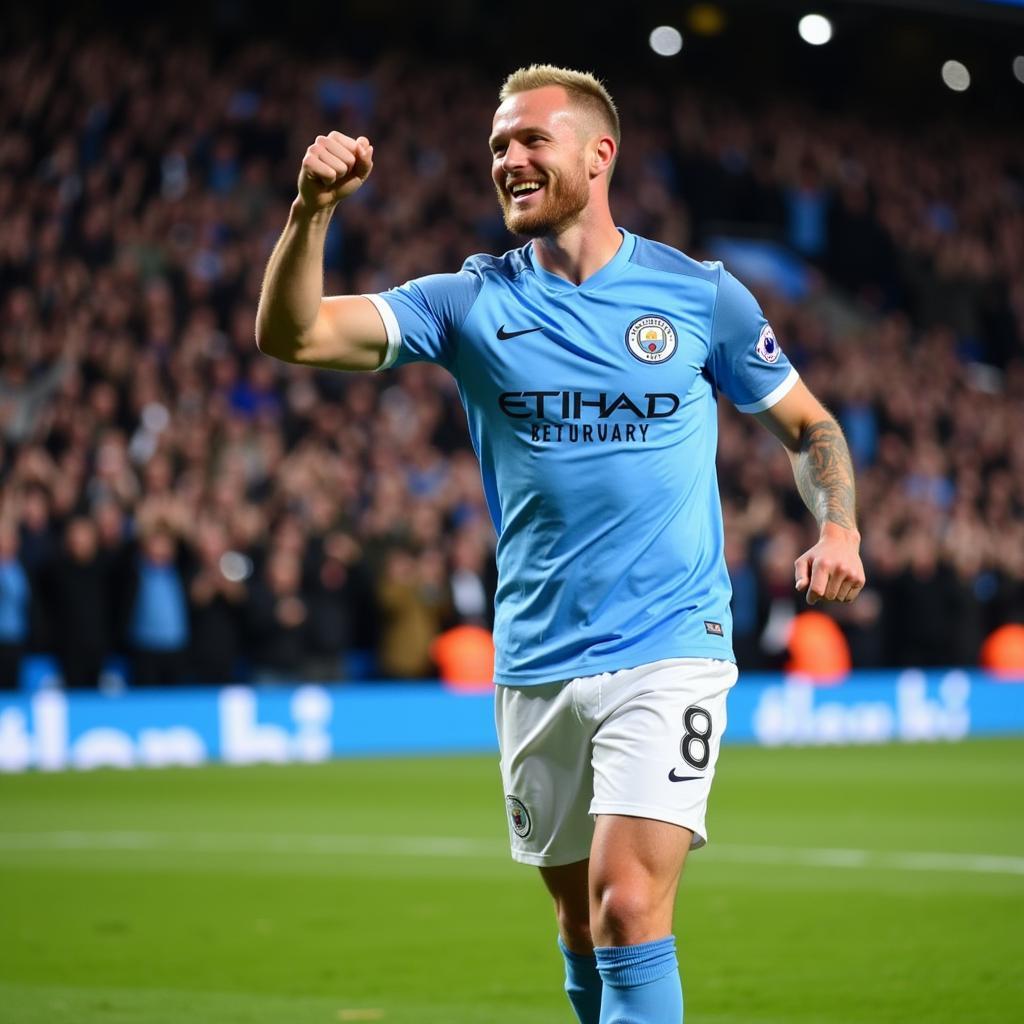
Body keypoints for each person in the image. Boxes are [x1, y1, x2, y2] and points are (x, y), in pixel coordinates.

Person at [256, 64, 865, 1024]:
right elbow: (292, 336)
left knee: (628, 907)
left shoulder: (701, 295)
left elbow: (809, 427)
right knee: (581, 924)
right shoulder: (466, 301)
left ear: (598, 152)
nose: (509, 159)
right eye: (499, 144)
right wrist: (310, 215)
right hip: (535, 657)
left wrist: (837, 523)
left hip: (671, 647)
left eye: (532, 139)